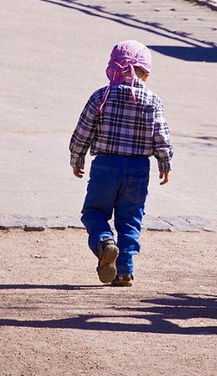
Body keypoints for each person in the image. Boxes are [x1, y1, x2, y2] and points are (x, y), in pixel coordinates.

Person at [69, 39, 173, 286]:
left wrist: (77, 157)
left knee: (94, 212)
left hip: (105, 164)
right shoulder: (152, 101)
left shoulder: (101, 96)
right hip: (138, 168)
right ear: (144, 71)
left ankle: (105, 242)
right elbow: (161, 135)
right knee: (130, 218)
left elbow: (83, 130)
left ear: (113, 68)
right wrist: (165, 163)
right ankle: (124, 272)